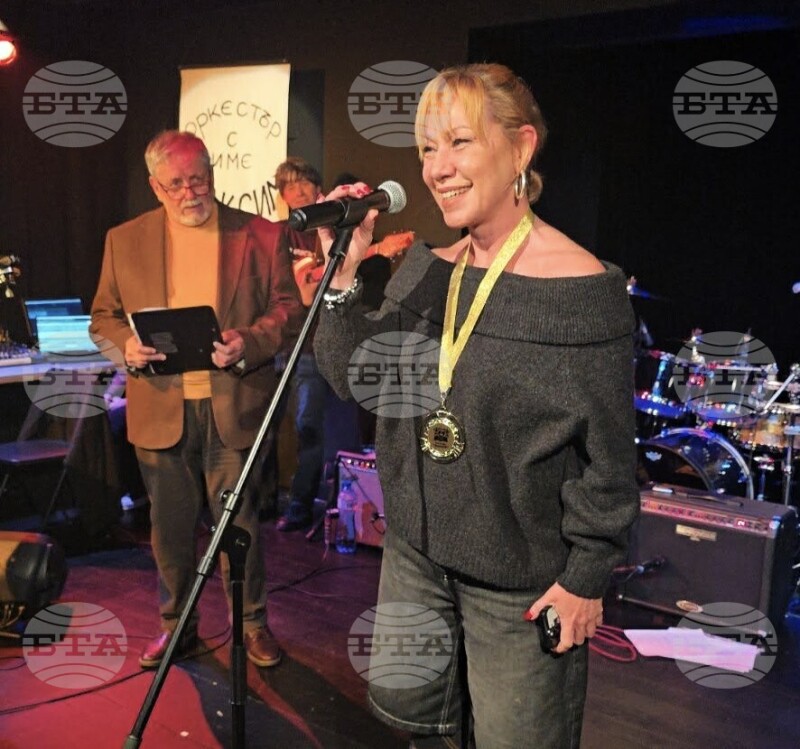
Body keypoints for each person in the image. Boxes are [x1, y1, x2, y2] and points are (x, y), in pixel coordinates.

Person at [313, 64, 640, 748]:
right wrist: (341, 276)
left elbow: (609, 461)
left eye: (459, 142)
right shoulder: (427, 270)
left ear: (520, 148)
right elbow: (354, 378)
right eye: (427, 149)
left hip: (518, 587)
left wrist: (586, 578)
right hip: (414, 558)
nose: (438, 168)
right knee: (417, 727)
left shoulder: (583, 292)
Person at [90, 130, 303, 669]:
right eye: (176, 184)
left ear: (212, 173)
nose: (190, 193)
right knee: (170, 531)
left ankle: (251, 624)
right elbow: (103, 318)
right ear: (155, 186)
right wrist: (125, 347)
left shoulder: (261, 233)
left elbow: (288, 309)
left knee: (240, 528)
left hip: (234, 406)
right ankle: (177, 626)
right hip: (160, 409)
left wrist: (247, 342)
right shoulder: (124, 239)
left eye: (199, 179)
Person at [272, 156, 331, 532]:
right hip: (275, 344)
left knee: (308, 427)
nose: (297, 191)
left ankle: (299, 507)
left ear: (318, 189)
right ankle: (258, 501)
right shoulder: (275, 235)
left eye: (303, 183)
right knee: (262, 427)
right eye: (288, 186)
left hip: (312, 346)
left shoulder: (331, 234)